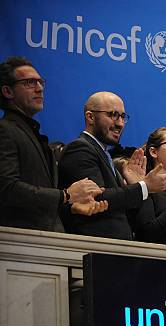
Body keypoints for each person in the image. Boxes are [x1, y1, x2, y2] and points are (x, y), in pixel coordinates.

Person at [0, 56, 106, 232]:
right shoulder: (5, 130)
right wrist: (65, 195)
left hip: (46, 239)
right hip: (19, 241)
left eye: (40, 82)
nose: (39, 88)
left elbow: (41, 197)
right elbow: (7, 189)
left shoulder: (33, 134)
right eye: (29, 82)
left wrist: (69, 206)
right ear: (7, 91)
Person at [59, 91, 166, 240]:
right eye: (112, 115)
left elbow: (121, 208)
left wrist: (135, 184)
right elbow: (95, 198)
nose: (120, 123)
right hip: (91, 246)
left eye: (122, 117)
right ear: (91, 117)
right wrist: (144, 187)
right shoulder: (80, 148)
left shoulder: (104, 154)